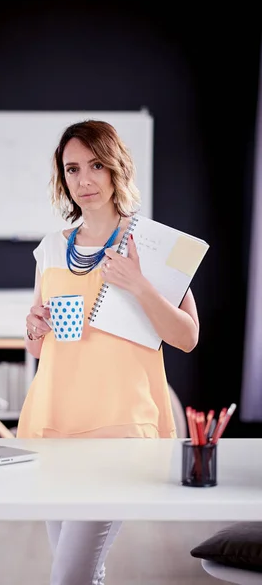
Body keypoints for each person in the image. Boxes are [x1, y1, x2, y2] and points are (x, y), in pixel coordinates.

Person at [17, 119, 200, 585]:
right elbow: (40, 350)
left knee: (67, 576)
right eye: (73, 168)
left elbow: (187, 337)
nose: (84, 180)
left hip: (120, 430)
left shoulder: (162, 245)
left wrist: (139, 284)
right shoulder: (50, 249)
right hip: (53, 426)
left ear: (116, 167)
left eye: (96, 165)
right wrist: (34, 328)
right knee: (80, 571)